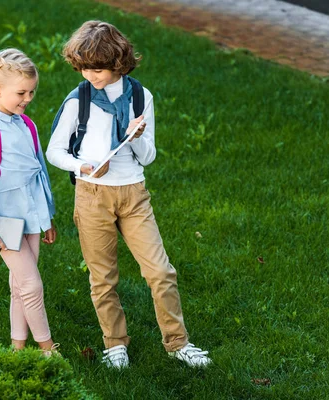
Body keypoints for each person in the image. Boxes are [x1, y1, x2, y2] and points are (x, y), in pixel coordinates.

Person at [46, 21, 211, 368]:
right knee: (103, 277)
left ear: (118, 63)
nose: (91, 75)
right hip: (93, 195)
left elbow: (148, 157)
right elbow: (54, 151)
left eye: (99, 68)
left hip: (133, 194)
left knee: (161, 272)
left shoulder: (140, 97)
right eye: (85, 68)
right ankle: (115, 342)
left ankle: (178, 342)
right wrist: (81, 166)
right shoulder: (80, 100)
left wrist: (136, 135)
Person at [0, 48, 58, 356]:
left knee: (20, 286)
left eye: (32, 92)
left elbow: (41, 173)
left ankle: (17, 348)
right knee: (32, 285)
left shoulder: (27, 125)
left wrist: (47, 217)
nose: (28, 98)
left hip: (32, 215)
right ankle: (48, 348)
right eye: (21, 92)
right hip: (4, 221)